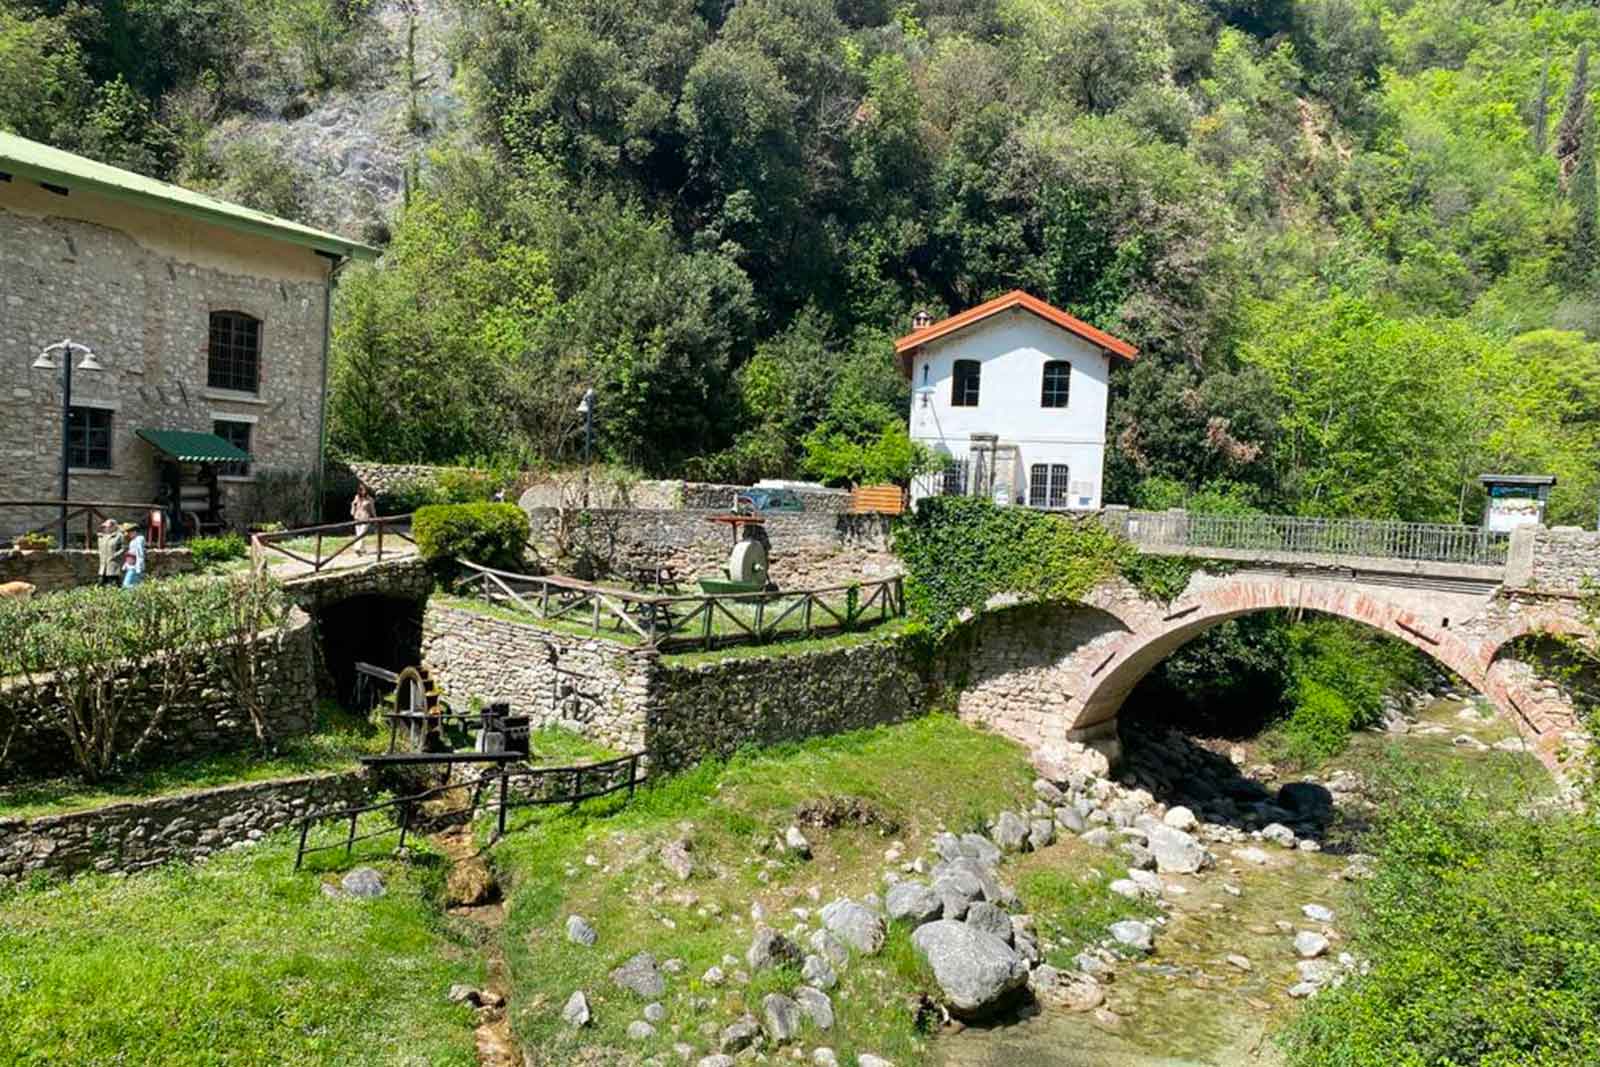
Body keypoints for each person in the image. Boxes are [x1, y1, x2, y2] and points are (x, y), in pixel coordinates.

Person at [96, 518, 124, 587]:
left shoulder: (119, 536)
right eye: (104, 527)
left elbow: (124, 549)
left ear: (113, 527)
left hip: (113, 566)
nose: (105, 528)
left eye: (107, 527)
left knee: (113, 585)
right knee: (100, 584)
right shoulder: (102, 536)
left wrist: (115, 555)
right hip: (103, 566)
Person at [351, 483, 377, 554]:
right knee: (359, 534)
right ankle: (363, 549)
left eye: (363, 489)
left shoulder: (370, 499)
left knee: (361, 534)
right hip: (357, 518)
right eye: (361, 489)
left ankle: (357, 548)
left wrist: (375, 519)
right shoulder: (356, 497)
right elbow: (353, 506)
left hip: (365, 518)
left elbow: (373, 509)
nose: (362, 491)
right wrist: (353, 505)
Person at [121, 521, 146, 589]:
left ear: (134, 531)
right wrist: (126, 564)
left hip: (135, 567)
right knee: (135, 583)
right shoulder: (132, 541)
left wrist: (139, 567)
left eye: (129, 532)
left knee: (126, 585)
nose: (128, 534)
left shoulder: (139, 539)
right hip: (131, 566)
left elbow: (140, 553)